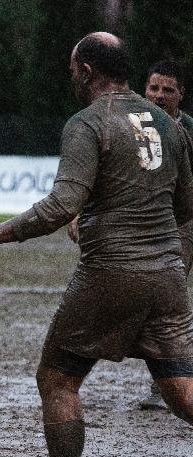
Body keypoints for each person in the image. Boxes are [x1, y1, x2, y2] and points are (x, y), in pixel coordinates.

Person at [0, 33, 193, 457]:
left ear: (86, 70)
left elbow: (60, 205)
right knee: (181, 391)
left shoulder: (88, 123)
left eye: (72, 68)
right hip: (169, 273)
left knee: (57, 377)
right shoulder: (170, 127)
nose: (70, 76)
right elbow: (185, 207)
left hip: (112, 272)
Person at [137, 60, 193, 409]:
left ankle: (167, 386)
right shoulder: (134, 126)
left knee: (167, 303)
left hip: (184, 223)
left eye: (167, 90)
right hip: (151, 224)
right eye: (153, 88)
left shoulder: (187, 131)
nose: (158, 96)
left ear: (180, 94)